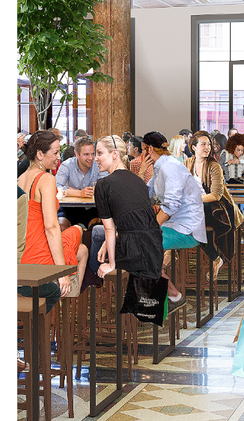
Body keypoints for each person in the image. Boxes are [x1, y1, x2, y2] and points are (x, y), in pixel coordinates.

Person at [90, 135, 164, 306]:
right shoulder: (138, 181)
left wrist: (111, 264)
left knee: (94, 240)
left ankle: (95, 288)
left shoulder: (103, 184)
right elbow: (135, 222)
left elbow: (110, 229)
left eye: (99, 153)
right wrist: (107, 243)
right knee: (101, 240)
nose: (96, 158)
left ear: (115, 154)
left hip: (133, 252)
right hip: (154, 247)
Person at [142, 131, 201, 300]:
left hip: (187, 228)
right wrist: (142, 172)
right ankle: (160, 292)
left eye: (143, 150)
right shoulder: (161, 166)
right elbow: (146, 193)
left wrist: (151, 227)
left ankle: (171, 294)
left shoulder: (169, 167)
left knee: (142, 243)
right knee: (140, 242)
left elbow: (171, 205)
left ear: (149, 149)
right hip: (174, 224)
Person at [189, 129, 235, 278]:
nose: (207, 147)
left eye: (209, 144)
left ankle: (215, 257)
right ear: (194, 147)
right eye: (203, 144)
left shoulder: (214, 166)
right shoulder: (187, 163)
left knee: (191, 221)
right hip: (196, 207)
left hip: (216, 208)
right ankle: (170, 251)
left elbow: (216, 195)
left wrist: (193, 201)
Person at [18, 130, 66, 263]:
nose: (59, 157)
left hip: (21, 250)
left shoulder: (20, 179)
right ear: (40, 154)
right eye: (55, 153)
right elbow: (51, 227)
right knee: (77, 232)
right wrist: (61, 269)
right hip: (38, 250)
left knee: (81, 249)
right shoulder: (46, 179)